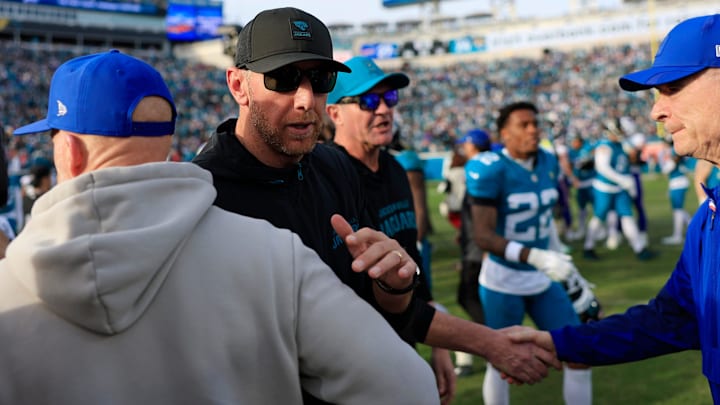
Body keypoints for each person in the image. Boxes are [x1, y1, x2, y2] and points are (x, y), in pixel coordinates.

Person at [0, 49, 439, 404]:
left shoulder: (8, 293)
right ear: (168, 140)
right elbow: (406, 387)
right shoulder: (271, 255)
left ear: (69, 152)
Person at [193, 8, 560, 401]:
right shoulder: (204, 196)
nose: (304, 99)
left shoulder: (334, 166)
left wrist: (395, 284)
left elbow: (378, 303)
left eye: (319, 80)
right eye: (282, 79)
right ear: (238, 85)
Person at [506, 14, 720, 404]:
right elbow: (672, 319)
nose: (655, 112)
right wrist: (560, 342)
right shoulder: (708, 218)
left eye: (672, 88)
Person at [326, 56, 456, 402]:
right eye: (368, 101)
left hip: (406, 335)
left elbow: (411, 256)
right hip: (353, 356)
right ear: (334, 112)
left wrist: (437, 332)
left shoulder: (396, 170)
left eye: (390, 99)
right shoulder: (325, 179)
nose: (383, 109)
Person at [465, 101, 593, 405]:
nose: (533, 129)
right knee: (500, 362)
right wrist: (537, 257)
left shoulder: (548, 162)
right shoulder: (490, 168)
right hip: (503, 281)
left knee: (579, 355)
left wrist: (562, 262)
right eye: (524, 125)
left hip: (541, 278)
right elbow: (483, 236)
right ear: (504, 133)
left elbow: (545, 222)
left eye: (535, 123)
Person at [582, 119, 654, 260]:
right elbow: (602, 168)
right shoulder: (604, 146)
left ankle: (639, 248)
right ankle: (588, 247)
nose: (620, 134)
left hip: (619, 188)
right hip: (605, 188)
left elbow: (628, 161)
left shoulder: (620, 145)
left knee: (627, 216)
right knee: (599, 216)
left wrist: (628, 181)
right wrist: (623, 179)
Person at [454, 128, 492, 377]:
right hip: (475, 247)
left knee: (468, 297)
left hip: (479, 250)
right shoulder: (484, 167)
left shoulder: (481, 169)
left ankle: (491, 340)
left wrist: (485, 246)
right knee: (469, 297)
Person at [660, 140, 691, 245]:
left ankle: (677, 236)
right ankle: (694, 226)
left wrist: (665, 166)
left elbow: (668, 168)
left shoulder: (674, 151)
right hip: (679, 182)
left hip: (678, 182)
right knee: (679, 209)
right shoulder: (675, 150)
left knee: (677, 210)